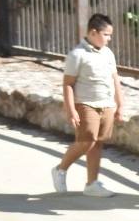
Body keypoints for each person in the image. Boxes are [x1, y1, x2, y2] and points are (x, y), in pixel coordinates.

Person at [51, 13, 124, 198]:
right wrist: (71, 110)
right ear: (93, 32)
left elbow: (115, 80)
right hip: (86, 103)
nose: (109, 39)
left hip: (106, 104)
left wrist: (119, 104)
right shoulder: (77, 54)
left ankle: (92, 183)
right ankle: (61, 169)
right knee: (87, 140)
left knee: (98, 142)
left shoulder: (108, 53)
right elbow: (68, 84)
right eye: (106, 35)